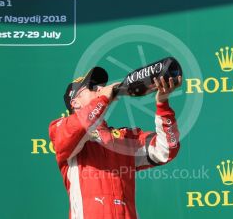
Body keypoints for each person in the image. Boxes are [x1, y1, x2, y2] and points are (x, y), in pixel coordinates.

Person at [49, 66, 182, 219]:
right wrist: (103, 99)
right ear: (75, 102)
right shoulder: (61, 129)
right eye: (92, 87)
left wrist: (162, 104)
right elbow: (77, 127)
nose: (100, 88)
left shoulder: (125, 138)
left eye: (101, 85)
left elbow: (166, 150)